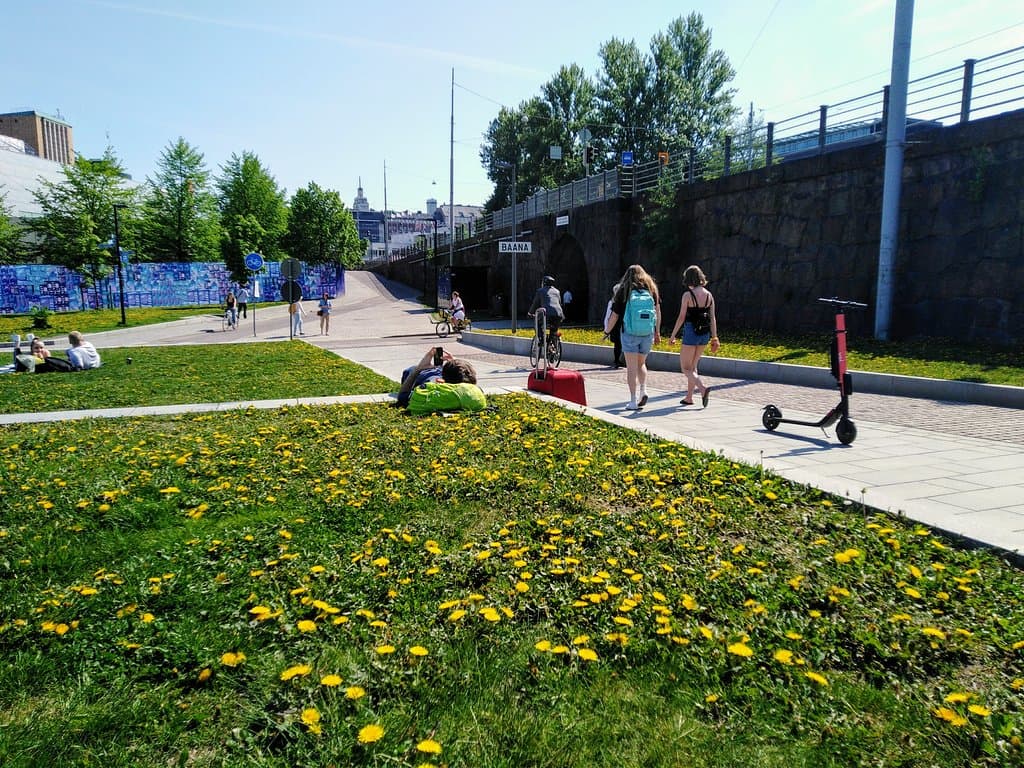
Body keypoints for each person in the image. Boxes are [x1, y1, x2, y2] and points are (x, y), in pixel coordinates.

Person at [604, 265, 661, 410]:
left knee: (631, 367)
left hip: (629, 333)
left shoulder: (624, 290)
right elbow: (657, 312)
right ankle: (644, 390)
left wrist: (607, 331)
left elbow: (615, 315)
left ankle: (633, 401)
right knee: (641, 364)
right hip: (647, 332)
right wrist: (657, 332)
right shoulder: (651, 289)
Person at [668, 264, 720, 408]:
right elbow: (712, 317)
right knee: (693, 366)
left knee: (685, 368)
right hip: (705, 334)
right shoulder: (709, 295)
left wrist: (673, 335)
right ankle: (689, 397)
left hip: (691, 332)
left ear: (689, 279)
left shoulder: (687, 295)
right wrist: (714, 337)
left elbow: (682, 317)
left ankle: (703, 389)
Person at [395, 346, 478, 408]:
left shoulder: (432, 389)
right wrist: (455, 364)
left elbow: (403, 397)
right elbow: (470, 379)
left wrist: (418, 369)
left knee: (410, 370)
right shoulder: (473, 393)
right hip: (444, 375)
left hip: (424, 375)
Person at [527, 275, 564, 354]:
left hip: (546, 313)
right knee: (554, 331)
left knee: (537, 324)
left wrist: (530, 312)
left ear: (543, 283)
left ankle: (541, 339)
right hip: (558, 314)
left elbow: (535, 303)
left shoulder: (540, 291)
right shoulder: (557, 291)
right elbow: (559, 303)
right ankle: (552, 346)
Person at [603, 283, 624, 368]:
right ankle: (618, 360)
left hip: (616, 325)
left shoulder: (612, 302)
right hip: (618, 325)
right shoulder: (614, 302)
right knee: (619, 343)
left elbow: (608, 316)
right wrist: (607, 328)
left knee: (618, 344)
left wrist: (607, 328)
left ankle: (618, 360)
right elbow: (609, 315)